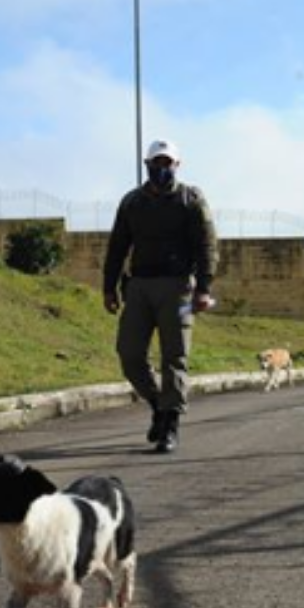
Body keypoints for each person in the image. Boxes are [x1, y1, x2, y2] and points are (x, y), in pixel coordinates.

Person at [102, 139, 219, 454]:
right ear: (146, 164)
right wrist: (108, 287)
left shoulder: (191, 199)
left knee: (174, 356)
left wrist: (204, 287)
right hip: (139, 286)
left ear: (177, 165)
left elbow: (207, 246)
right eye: (156, 162)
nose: (161, 168)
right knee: (129, 354)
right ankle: (158, 403)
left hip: (178, 286)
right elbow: (117, 247)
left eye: (167, 163)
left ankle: (170, 424)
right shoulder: (132, 202)